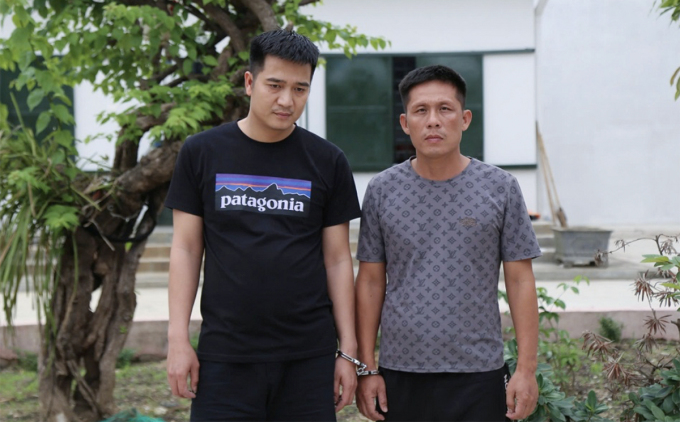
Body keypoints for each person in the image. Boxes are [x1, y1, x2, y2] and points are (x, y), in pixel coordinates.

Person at [164, 29, 361, 421]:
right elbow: (185, 249)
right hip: (225, 357)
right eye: (275, 85)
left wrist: (348, 350)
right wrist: (177, 339)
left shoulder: (328, 161)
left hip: (308, 357)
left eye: (300, 89)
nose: (287, 100)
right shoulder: (201, 152)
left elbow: (338, 260)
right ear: (250, 82)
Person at [355, 65, 542, 422]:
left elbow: (520, 280)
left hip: (479, 371)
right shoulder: (382, 190)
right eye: (420, 110)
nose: (433, 121)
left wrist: (526, 369)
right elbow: (369, 282)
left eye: (445, 109)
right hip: (401, 371)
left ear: (465, 118)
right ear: (405, 123)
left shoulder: (500, 188)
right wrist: (367, 367)